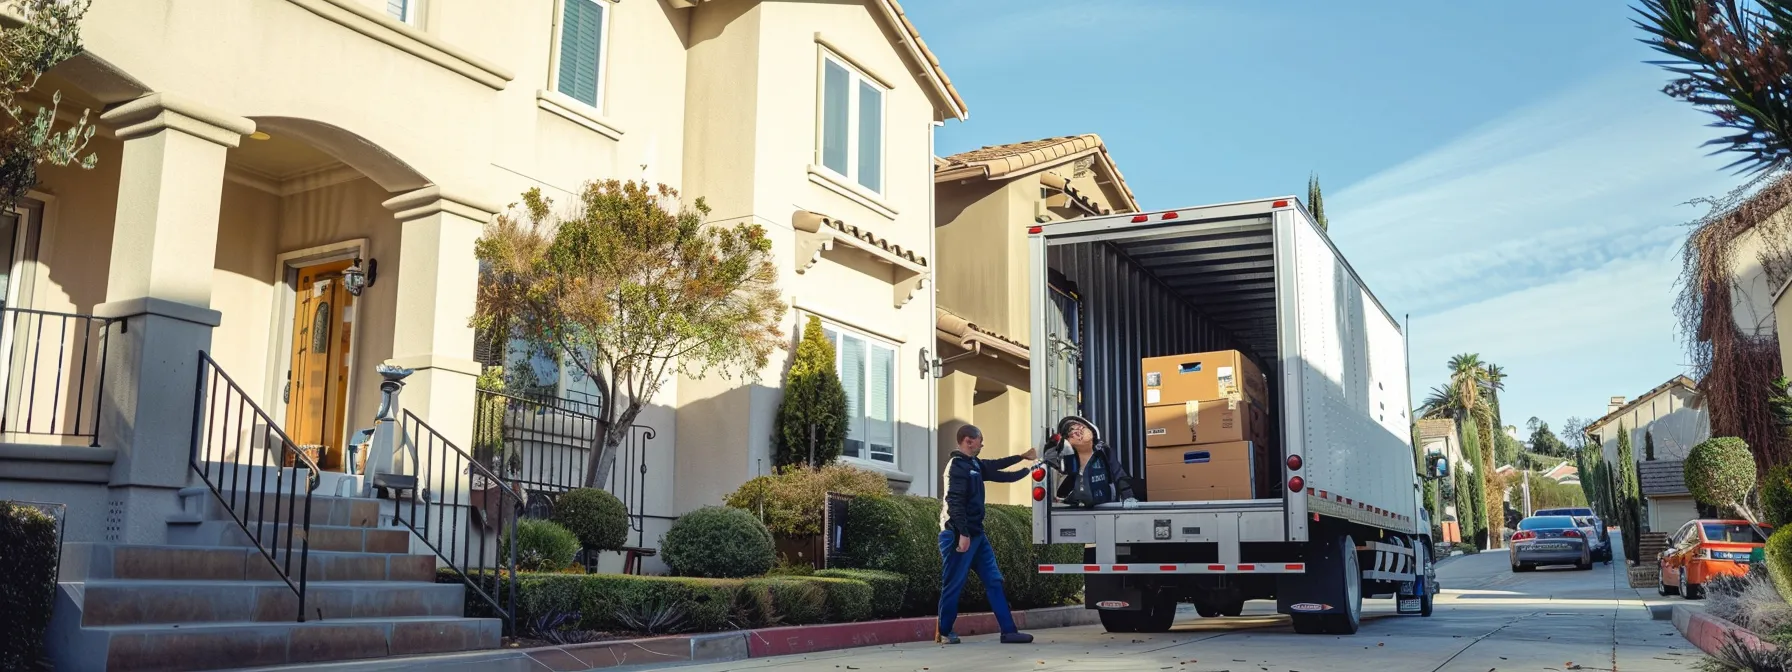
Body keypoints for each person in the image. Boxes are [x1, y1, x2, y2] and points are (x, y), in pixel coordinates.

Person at [937, 424, 1036, 645]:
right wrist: (962, 533)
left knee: (994, 580)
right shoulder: (957, 466)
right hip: (956, 535)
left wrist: (1025, 462)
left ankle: (1009, 632)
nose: (983, 444)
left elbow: (999, 470)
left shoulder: (975, 464)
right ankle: (944, 631)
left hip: (977, 535)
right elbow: (954, 502)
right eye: (980, 440)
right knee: (954, 583)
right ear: (968, 441)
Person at [1048, 415, 1139, 509]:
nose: (1079, 432)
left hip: (1106, 508)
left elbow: (1119, 475)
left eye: (1081, 428)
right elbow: (1048, 458)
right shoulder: (1068, 461)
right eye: (1072, 431)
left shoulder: (1104, 453)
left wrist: (1128, 496)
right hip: (1077, 511)